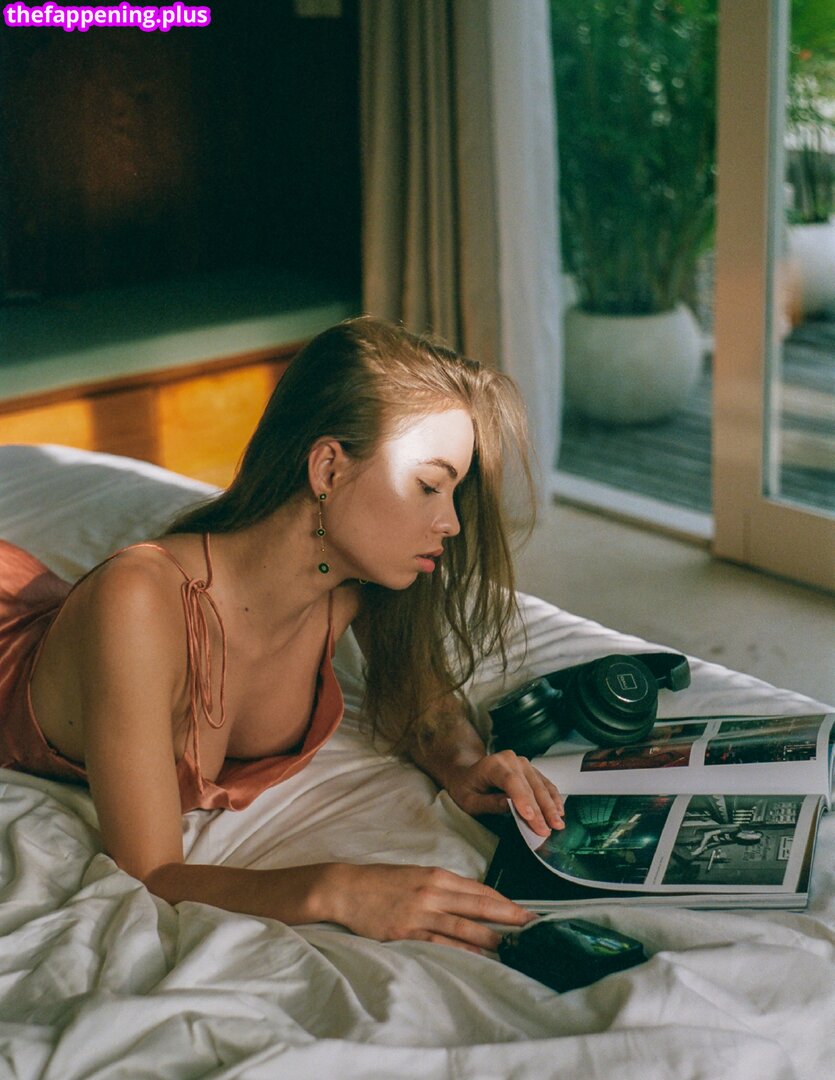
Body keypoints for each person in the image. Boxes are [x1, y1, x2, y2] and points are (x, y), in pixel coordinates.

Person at [0, 315, 564, 954]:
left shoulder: (356, 586)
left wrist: (463, 766)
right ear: (328, 468)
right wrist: (338, 889)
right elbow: (151, 872)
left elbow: (424, 702)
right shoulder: (136, 602)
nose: (451, 523)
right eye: (429, 486)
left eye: (453, 492)